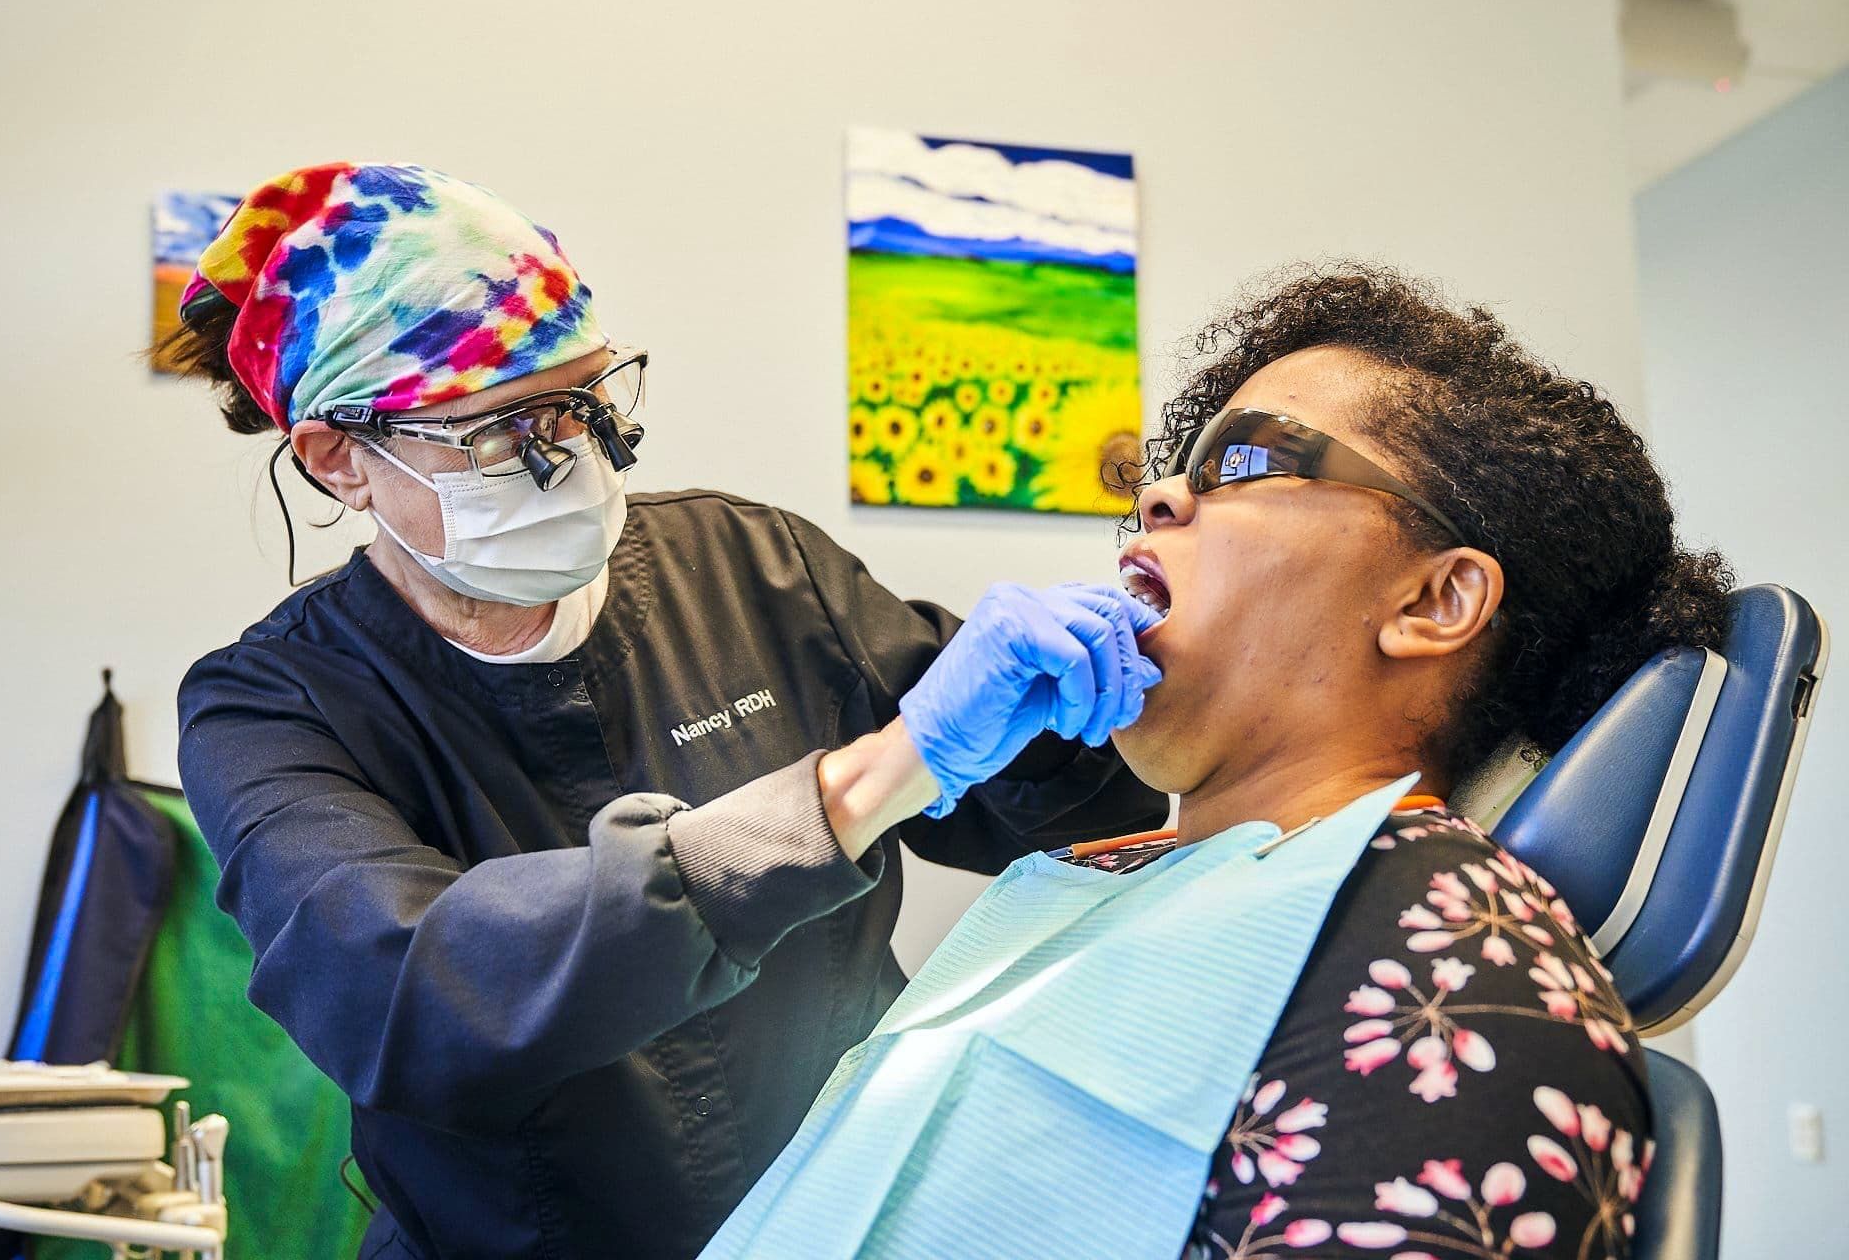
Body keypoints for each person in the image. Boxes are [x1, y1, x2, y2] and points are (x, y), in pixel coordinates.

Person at [163, 161, 1169, 1260]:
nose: (581, 458)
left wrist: (1076, 702)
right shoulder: (273, 705)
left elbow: (1061, 828)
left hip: (844, 1216)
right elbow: (414, 992)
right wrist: (859, 787)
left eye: (593, 399)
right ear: (340, 459)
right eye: (510, 430)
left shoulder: (752, 565)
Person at [702, 265, 1733, 1260]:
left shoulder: (1466, 981)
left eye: (1246, 460)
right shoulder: (1094, 877)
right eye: (1174, 471)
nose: (1157, 495)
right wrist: (891, 768)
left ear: (1434, 600)